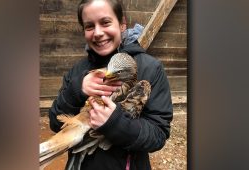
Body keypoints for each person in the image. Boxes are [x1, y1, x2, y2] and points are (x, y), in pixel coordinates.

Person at [48, 0, 173, 169]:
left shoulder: (151, 69)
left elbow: (158, 136)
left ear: (122, 24)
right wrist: (76, 91)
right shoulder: (78, 71)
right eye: (89, 26)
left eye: (105, 22)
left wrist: (115, 123)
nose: (98, 33)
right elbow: (55, 124)